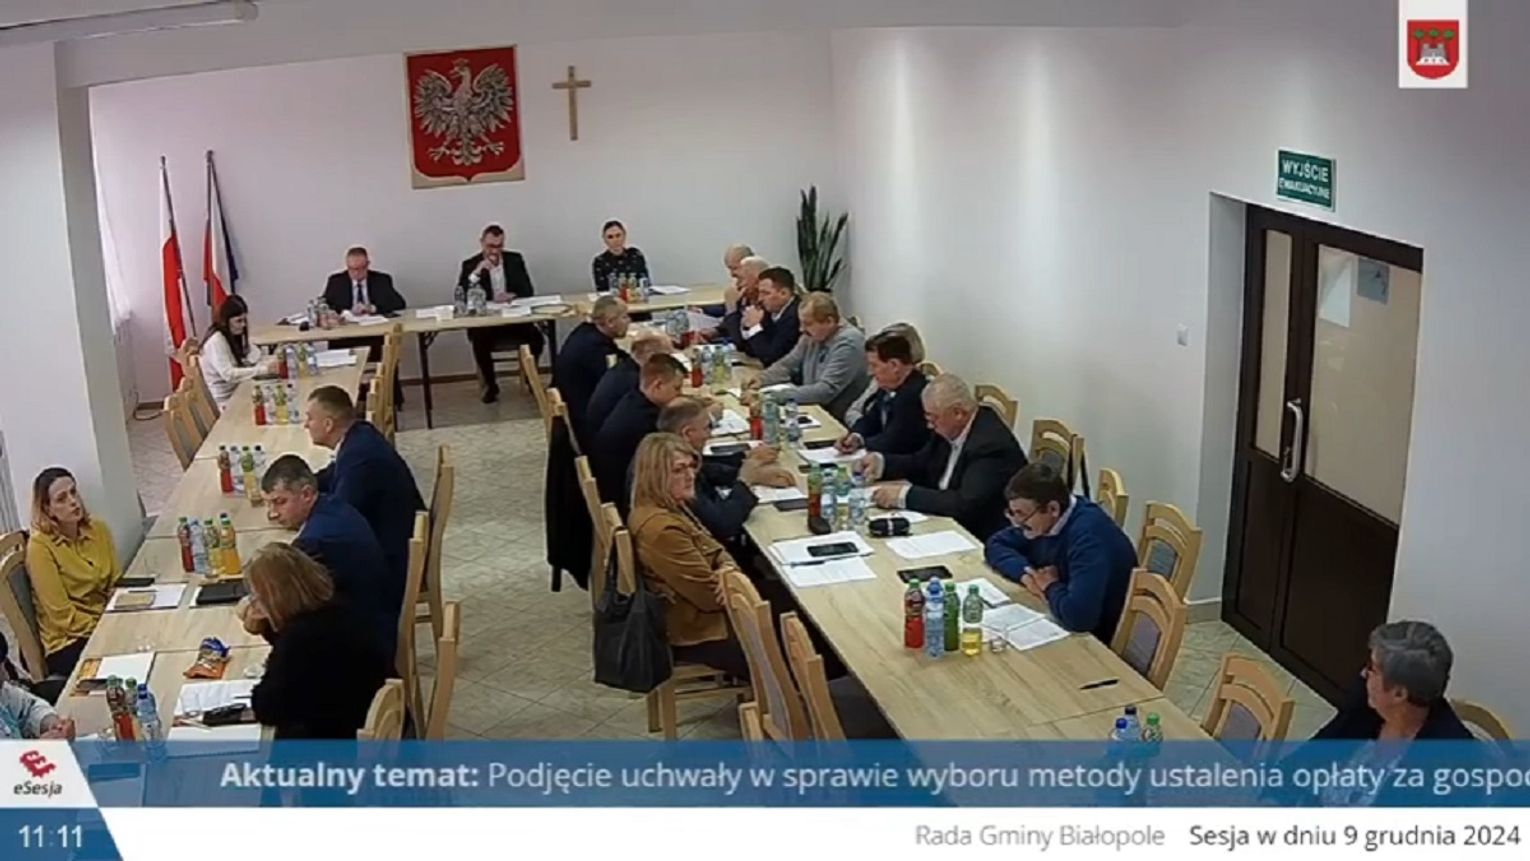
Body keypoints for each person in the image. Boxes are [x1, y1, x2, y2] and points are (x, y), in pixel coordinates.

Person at [629, 434, 750, 679]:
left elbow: (716, 548)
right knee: (802, 626)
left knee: (787, 602)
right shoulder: (662, 530)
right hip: (698, 632)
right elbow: (711, 598)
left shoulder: (672, 504)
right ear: (655, 475)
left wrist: (727, 570)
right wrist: (730, 578)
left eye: (691, 467)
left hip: (706, 613)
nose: (690, 476)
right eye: (678, 470)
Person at [242, 544, 391, 739]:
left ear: (275, 599)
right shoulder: (339, 607)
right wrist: (268, 627)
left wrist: (268, 627)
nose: (255, 605)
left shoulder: (300, 640)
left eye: (257, 598)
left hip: (338, 742)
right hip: (364, 721)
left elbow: (266, 708)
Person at [856, 374, 1027, 541]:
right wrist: (882, 463)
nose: (929, 425)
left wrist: (905, 496)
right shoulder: (949, 427)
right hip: (943, 520)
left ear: (958, 413)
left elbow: (965, 504)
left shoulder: (990, 445)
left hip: (977, 534)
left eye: (933, 418)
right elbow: (922, 462)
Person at [261, 455, 397, 657]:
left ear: (307, 494)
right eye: (268, 504)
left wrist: (260, 623)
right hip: (379, 615)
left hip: (366, 645)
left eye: (280, 502)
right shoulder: (332, 505)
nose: (272, 514)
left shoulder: (314, 542)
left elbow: (290, 615)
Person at [984, 463, 1136, 642]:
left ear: (1053, 509)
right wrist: (1027, 575)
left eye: (1022, 514)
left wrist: (1050, 586)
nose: (1017, 523)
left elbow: (1079, 618)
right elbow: (995, 544)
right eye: (1012, 513)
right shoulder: (1042, 521)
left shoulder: (1089, 538)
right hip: (1060, 611)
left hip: (1099, 639)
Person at [304, 385, 425, 598]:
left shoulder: (360, 459)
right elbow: (330, 475)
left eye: (310, 418)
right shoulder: (359, 437)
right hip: (392, 541)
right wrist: (298, 487)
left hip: (390, 565)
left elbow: (340, 521)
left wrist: (302, 510)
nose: (306, 425)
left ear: (328, 424)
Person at [24, 467, 123, 677]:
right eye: (62, 499)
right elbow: (62, 616)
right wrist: (105, 628)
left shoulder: (99, 529)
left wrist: (119, 616)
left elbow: (116, 583)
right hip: (69, 641)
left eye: (73, 492)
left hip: (104, 621)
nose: (73, 502)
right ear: (48, 509)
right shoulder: (40, 547)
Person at [656, 397, 794, 544]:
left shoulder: (669, 453)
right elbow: (724, 525)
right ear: (688, 433)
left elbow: (709, 469)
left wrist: (754, 470)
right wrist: (745, 481)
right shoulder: (677, 474)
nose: (709, 435)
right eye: (706, 428)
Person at [1312, 621, 1473, 742]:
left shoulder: (1451, 760)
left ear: (1399, 694)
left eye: (1372, 668)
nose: (1364, 673)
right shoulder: (1366, 702)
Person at [457, 224, 542, 403]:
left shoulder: (515, 260)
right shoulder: (470, 265)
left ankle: (531, 378)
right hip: (486, 322)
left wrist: (512, 295)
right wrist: (477, 272)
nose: (495, 251)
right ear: (481, 243)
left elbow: (528, 290)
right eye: (490, 246)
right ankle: (491, 386)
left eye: (499, 246)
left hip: (512, 319)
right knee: (479, 340)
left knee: (537, 338)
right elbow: (462, 296)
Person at [751, 292, 869, 421]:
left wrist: (769, 397)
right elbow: (788, 364)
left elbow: (825, 391)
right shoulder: (811, 337)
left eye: (807, 324)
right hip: (813, 410)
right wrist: (761, 379)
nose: (801, 329)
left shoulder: (849, 343)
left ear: (829, 321)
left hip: (835, 420)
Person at [592, 354, 686, 507]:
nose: (679, 394)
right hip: (628, 502)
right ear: (658, 385)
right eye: (677, 388)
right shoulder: (645, 422)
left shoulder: (633, 399)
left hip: (613, 487)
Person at [837, 330, 930, 455]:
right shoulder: (889, 385)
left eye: (874, 365)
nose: (869, 372)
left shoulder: (914, 395)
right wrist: (855, 436)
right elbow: (871, 419)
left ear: (894, 365)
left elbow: (893, 442)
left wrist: (862, 443)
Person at [553, 295, 631, 436]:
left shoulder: (585, 331)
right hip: (587, 425)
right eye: (625, 317)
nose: (629, 321)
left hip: (576, 406)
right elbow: (615, 385)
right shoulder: (596, 349)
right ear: (610, 322)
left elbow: (618, 355)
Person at [584, 333, 671, 442]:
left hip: (599, 436)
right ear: (651, 356)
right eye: (667, 356)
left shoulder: (624, 367)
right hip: (612, 445)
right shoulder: (635, 381)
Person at [844, 322, 927, 427]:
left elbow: (894, 434)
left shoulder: (913, 393)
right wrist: (858, 434)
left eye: (874, 365)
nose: (869, 372)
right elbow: (861, 414)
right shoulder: (885, 384)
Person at [199, 294, 270, 408]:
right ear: (225, 321)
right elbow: (229, 374)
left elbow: (253, 352)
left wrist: (267, 363)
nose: (243, 325)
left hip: (239, 390)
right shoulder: (216, 341)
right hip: (227, 402)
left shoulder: (233, 334)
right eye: (238, 321)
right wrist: (263, 370)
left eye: (244, 320)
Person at [0, 633, 74, 740]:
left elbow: (29, 708)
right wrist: (38, 746)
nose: (6, 676)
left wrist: (52, 723)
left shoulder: (4, 692)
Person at [724, 266, 800, 366]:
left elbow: (770, 358)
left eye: (766, 293)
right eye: (760, 292)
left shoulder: (796, 316)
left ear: (784, 293)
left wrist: (754, 327)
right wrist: (747, 326)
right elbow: (745, 347)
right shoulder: (770, 311)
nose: (760, 298)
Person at [322, 246, 406, 318]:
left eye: (359, 269)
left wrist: (373, 308)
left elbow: (399, 304)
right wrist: (334, 313)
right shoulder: (336, 282)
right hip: (347, 327)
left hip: (375, 326)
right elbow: (323, 305)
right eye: (351, 269)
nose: (356, 273)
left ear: (367, 265)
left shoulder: (381, 280)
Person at [591, 220, 650, 292]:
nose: (615, 240)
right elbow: (602, 290)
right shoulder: (600, 261)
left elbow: (645, 282)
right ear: (604, 239)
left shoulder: (635, 255)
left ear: (624, 236)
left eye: (618, 235)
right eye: (610, 237)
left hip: (636, 296)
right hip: (613, 298)